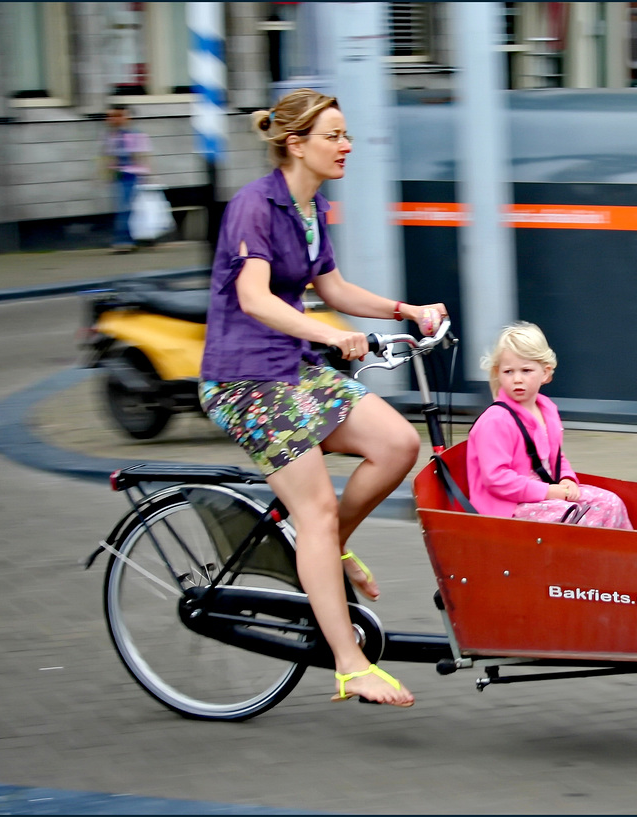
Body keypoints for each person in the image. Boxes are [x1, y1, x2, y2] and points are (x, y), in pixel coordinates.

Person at [199, 88, 447, 708]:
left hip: (291, 367)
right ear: (296, 143)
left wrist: (404, 310)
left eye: (346, 134)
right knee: (312, 509)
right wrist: (335, 338)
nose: (346, 145)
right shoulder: (254, 206)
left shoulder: (311, 208)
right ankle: (348, 663)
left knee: (396, 444)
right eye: (333, 135)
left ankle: (328, 550)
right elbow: (255, 299)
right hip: (243, 379)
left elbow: (329, 285)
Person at [466, 322, 632, 530]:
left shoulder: (547, 410)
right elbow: (497, 479)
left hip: (544, 494)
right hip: (509, 507)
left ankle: (619, 558)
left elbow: (556, 457)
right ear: (498, 373)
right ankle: (586, 560)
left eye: (526, 370)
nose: (517, 379)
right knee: (576, 519)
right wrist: (550, 492)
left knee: (610, 503)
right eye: (508, 372)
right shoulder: (496, 420)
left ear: (545, 373)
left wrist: (567, 478)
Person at [102, 103, 151, 253]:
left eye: (117, 116)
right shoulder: (112, 136)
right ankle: (127, 239)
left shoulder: (133, 135)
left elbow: (141, 156)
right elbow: (110, 157)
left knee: (125, 208)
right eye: (110, 116)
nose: (112, 120)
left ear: (126, 117)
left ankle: (123, 241)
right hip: (120, 176)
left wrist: (143, 175)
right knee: (124, 208)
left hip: (130, 176)